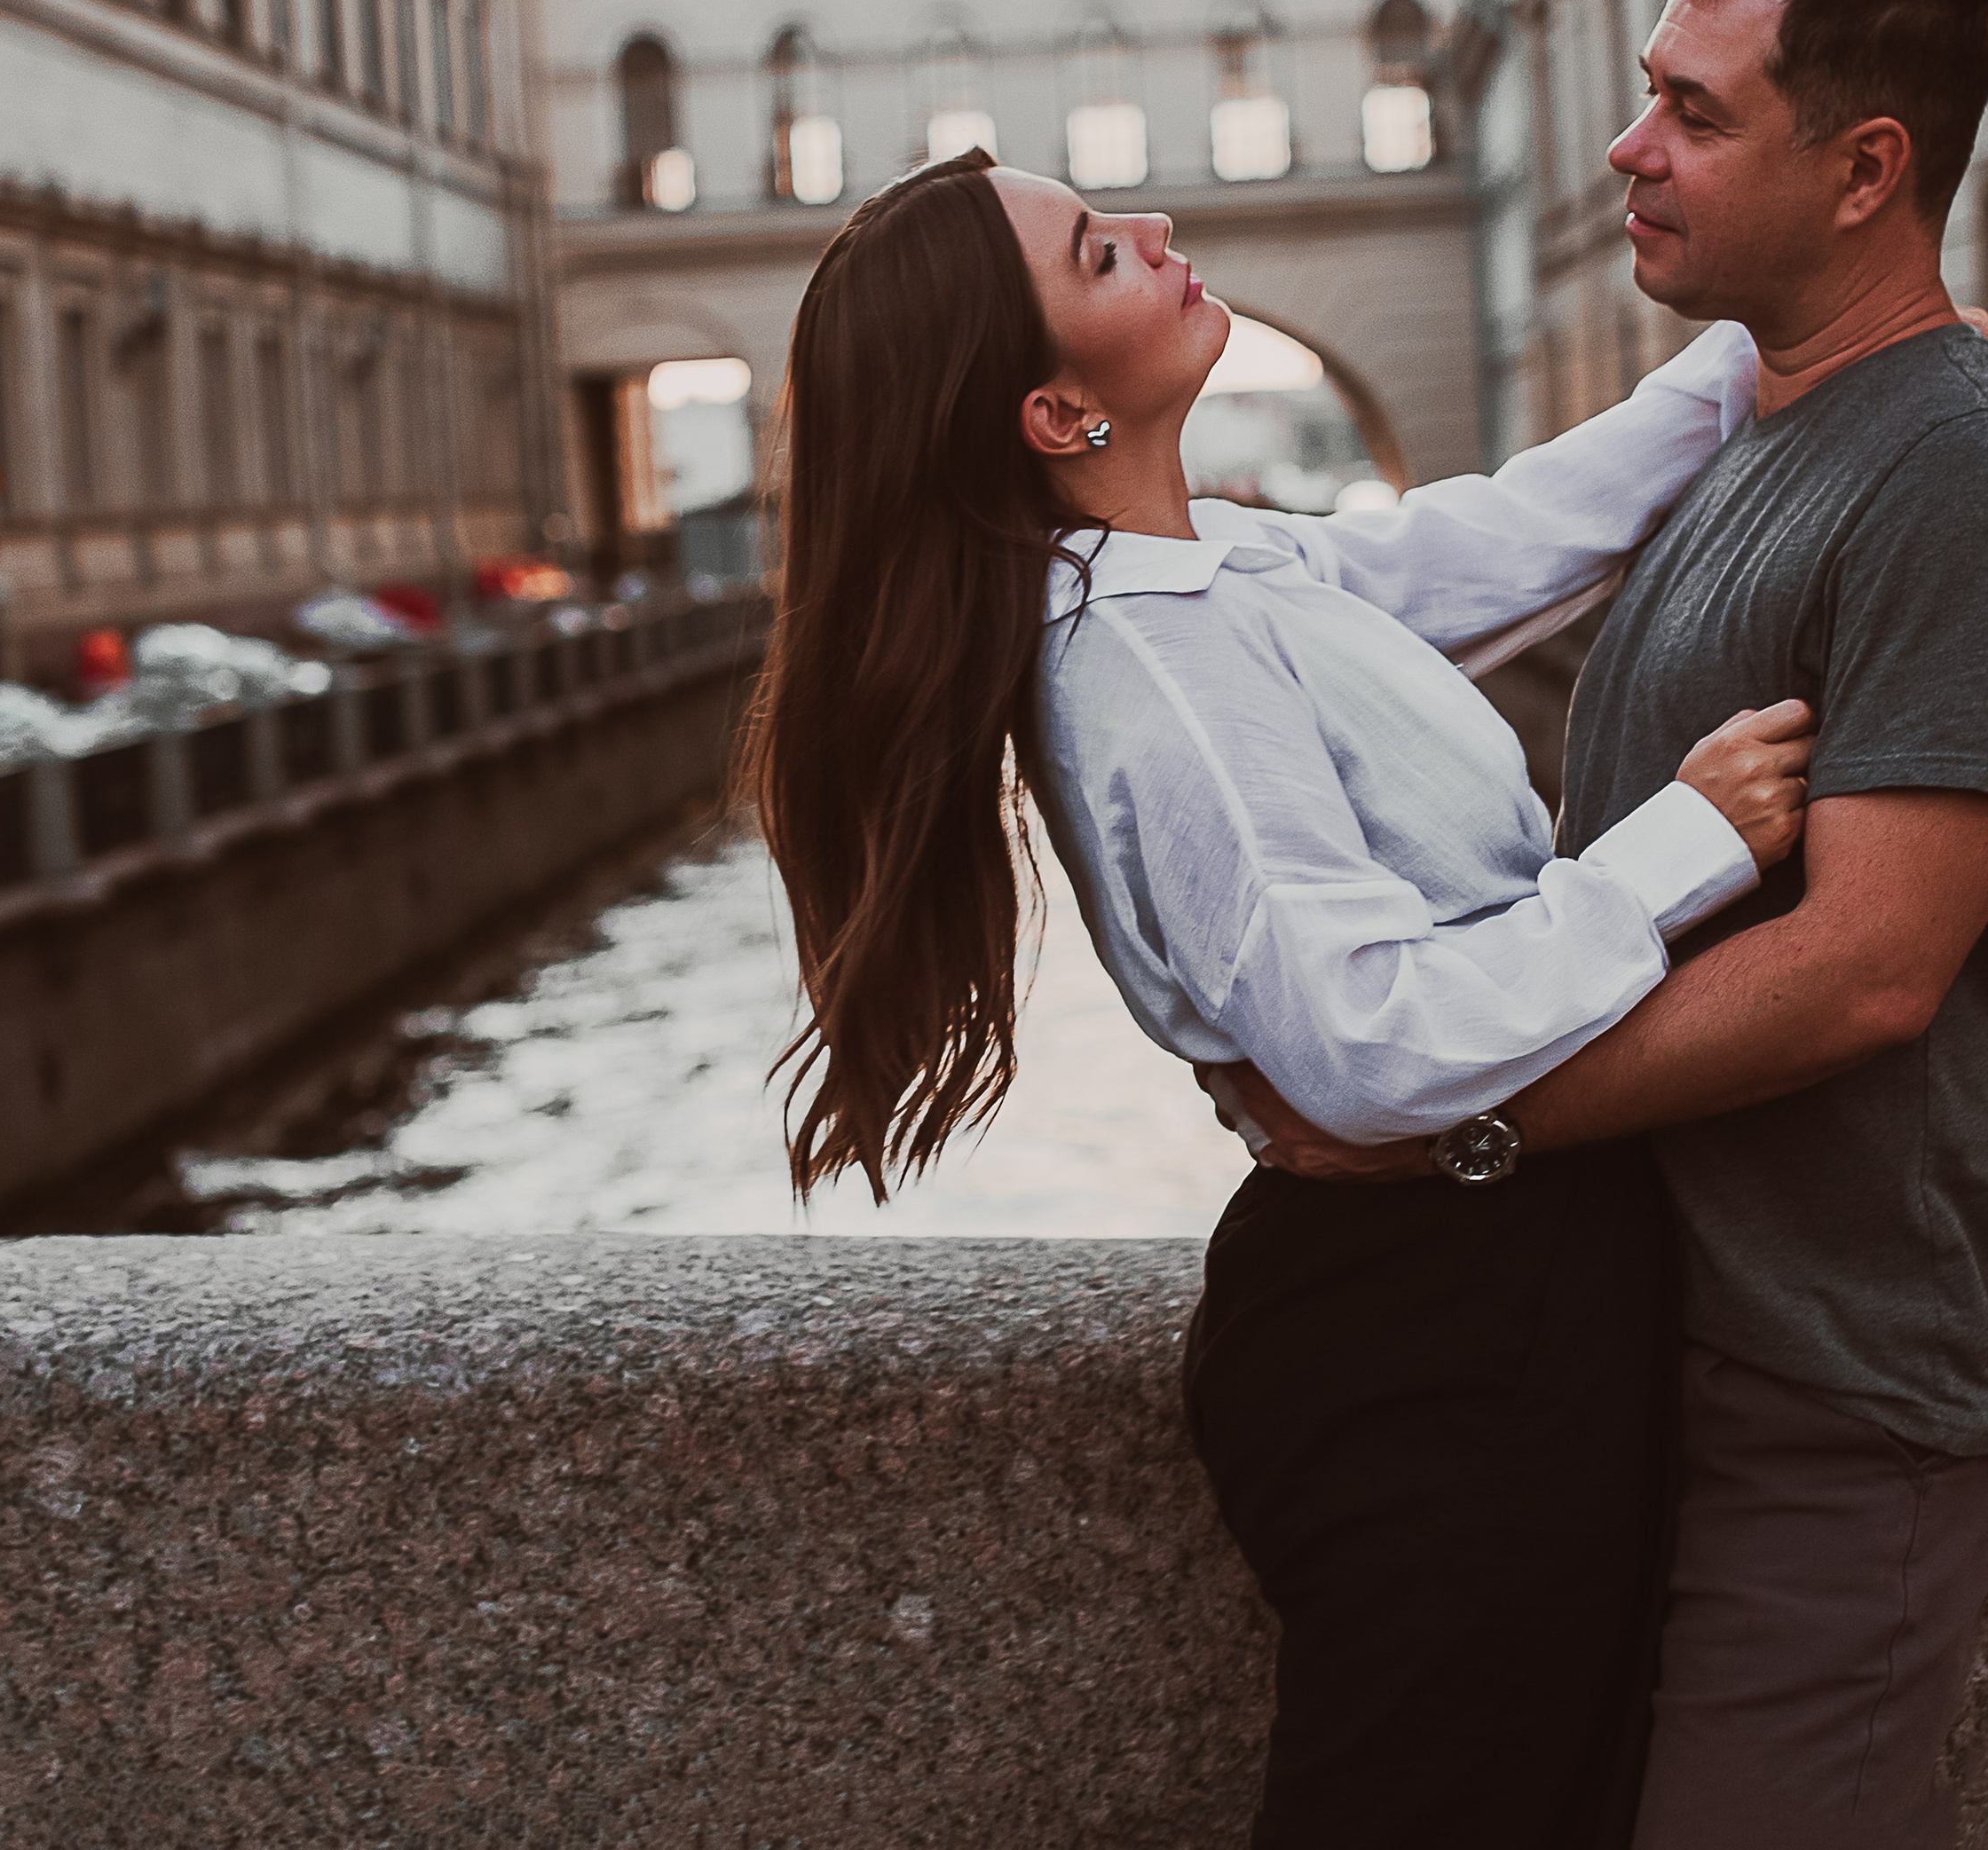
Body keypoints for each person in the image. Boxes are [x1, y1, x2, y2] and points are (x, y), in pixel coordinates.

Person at [747, 132, 1820, 1847]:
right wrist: (1684, 844)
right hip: (1433, 1334)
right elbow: (1373, 1039)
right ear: (1051, 414)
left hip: (1470, 1300)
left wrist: (1783, 349)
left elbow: (1499, 541)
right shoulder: (1147, 661)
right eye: (1101, 255)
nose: (1160, 234)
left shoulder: (1214, 570)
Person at [1220, 0, 1988, 1850]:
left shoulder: (1954, 477)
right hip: (1660, 1367)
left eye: (1694, 114)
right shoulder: (1758, 431)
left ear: (1866, 165)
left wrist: (1440, 1119)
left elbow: (1866, 967)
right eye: (1647, 87)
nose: (1626, 146)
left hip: (1843, 1394)